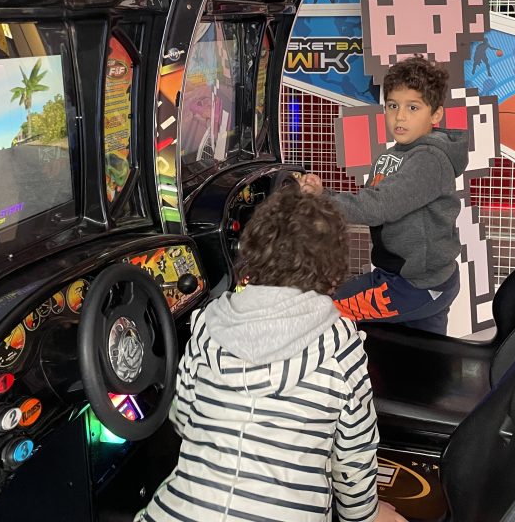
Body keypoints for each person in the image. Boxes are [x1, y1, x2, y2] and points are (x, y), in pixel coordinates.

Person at [136, 188, 406, 522]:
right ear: (334, 268)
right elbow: (353, 455)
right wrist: (365, 515)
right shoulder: (340, 345)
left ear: (250, 252)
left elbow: (182, 417)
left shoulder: (207, 323)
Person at [302, 55, 468, 335]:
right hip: (417, 280)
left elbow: (380, 206)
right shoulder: (394, 154)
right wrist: (324, 195)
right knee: (426, 358)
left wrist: (323, 200)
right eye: (393, 106)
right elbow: (373, 198)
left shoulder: (429, 159)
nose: (400, 116)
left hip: (413, 286)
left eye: (413, 107)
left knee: (323, 310)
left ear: (436, 114)